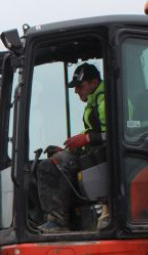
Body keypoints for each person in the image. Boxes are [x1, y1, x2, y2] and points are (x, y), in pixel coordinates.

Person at [37, 62, 107, 233]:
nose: (76, 91)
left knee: (49, 167)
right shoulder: (95, 100)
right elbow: (92, 131)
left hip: (105, 157)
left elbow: (118, 133)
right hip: (94, 153)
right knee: (55, 160)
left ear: (94, 82)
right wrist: (70, 149)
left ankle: (58, 222)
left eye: (80, 86)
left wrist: (87, 138)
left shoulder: (107, 100)